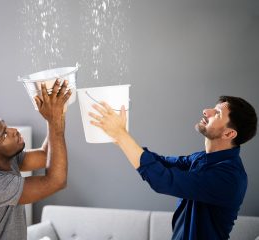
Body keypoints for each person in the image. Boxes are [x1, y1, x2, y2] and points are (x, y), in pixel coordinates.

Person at [89, 95, 257, 240]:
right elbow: (161, 163)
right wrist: (120, 137)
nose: (206, 111)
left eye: (217, 113)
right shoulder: (201, 158)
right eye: (213, 108)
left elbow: (163, 180)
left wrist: (121, 135)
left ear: (229, 134)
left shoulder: (229, 178)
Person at [0, 79, 71, 240]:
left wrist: (57, 112)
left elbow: (46, 155)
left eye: (6, 126)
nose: (14, 131)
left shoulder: (6, 159)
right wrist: (54, 120)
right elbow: (56, 181)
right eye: (4, 134)